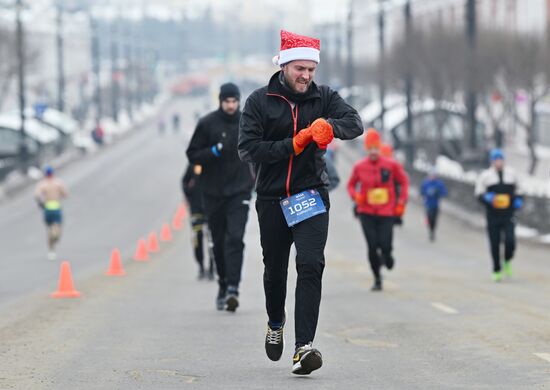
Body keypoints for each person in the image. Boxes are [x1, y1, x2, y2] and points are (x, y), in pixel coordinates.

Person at [238, 30, 363, 375]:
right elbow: (248, 149)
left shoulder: (323, 97)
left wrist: (329, 126)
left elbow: (355, 123)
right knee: (275, 271)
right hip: (272, 198)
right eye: (300, 69)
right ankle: (275, 321)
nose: (306, 76)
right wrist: (293, 145)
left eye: (311, 70)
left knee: (310, 264)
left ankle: (303, 347)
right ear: (284, 66)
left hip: (311, 195)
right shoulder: (259, 102)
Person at [187, 82, 254, 312]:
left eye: (234, 101)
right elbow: (192, 154)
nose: (231, 105)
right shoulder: (207, 124)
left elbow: (260, 149)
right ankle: (223, 284)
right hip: (213, 192)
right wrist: (213, 152)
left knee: (235, 238)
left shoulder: (248, 121)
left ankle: (234, 288)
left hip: (240, 190)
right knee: (218, 241)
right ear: (220, 101)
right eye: (227, 101)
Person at [347, 129, 409, 292]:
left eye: (376, 147)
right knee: (372, 246)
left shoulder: (391, 165)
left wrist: (401, 202)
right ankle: (377, 277)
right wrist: (356, 196)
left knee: (385, 244)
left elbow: (403, 182)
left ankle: (387, 255)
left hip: (386, 212)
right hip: (366, 212)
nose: (373, 151)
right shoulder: (360, 167)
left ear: (379, 148)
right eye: (370, 148)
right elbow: (351, 185)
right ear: (366, 149)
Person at [474, 149, 523, 282]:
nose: (498, 162)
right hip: (493, 215)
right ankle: (496, 269)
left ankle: (507, 259)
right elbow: (478, 193)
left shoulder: (511, 174)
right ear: (492, 161)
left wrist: (518, 200)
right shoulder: (486, 176)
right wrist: (486, 198)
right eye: (496, 160)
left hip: (508, 214)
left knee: (510, 241)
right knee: (494, 242)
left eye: (500, 159)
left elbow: (519, 189)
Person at [181, 164, 214, 280]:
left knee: (212, 240)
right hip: (196, 209)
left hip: (211, 208)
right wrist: (190, 195)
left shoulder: (213, 163)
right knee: (197, 238)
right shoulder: (193, 164)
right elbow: (184, 181)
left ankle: (212, 268)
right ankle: (201, 266)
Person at [34, 166, 68, 261]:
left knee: (49, 230)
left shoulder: (42, 184)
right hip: (56, 208)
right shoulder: (58, 183)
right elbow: (65, 194)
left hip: (47, 209)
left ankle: (51, 250)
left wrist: (41, 202)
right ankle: (55, 240)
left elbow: (37, 195)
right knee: (57, 228)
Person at [420, 168, 448, 242]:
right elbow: (421, 192)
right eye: (431, 175)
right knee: (429, 218)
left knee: (434, 219)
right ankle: (430, 230)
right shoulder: (425, 183)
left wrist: (438, 193)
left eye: (434, 175)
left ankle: (433, 231)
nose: (432, 177)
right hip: (427, 204)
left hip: (436, 205)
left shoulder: (439, 184)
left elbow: (444, 193)